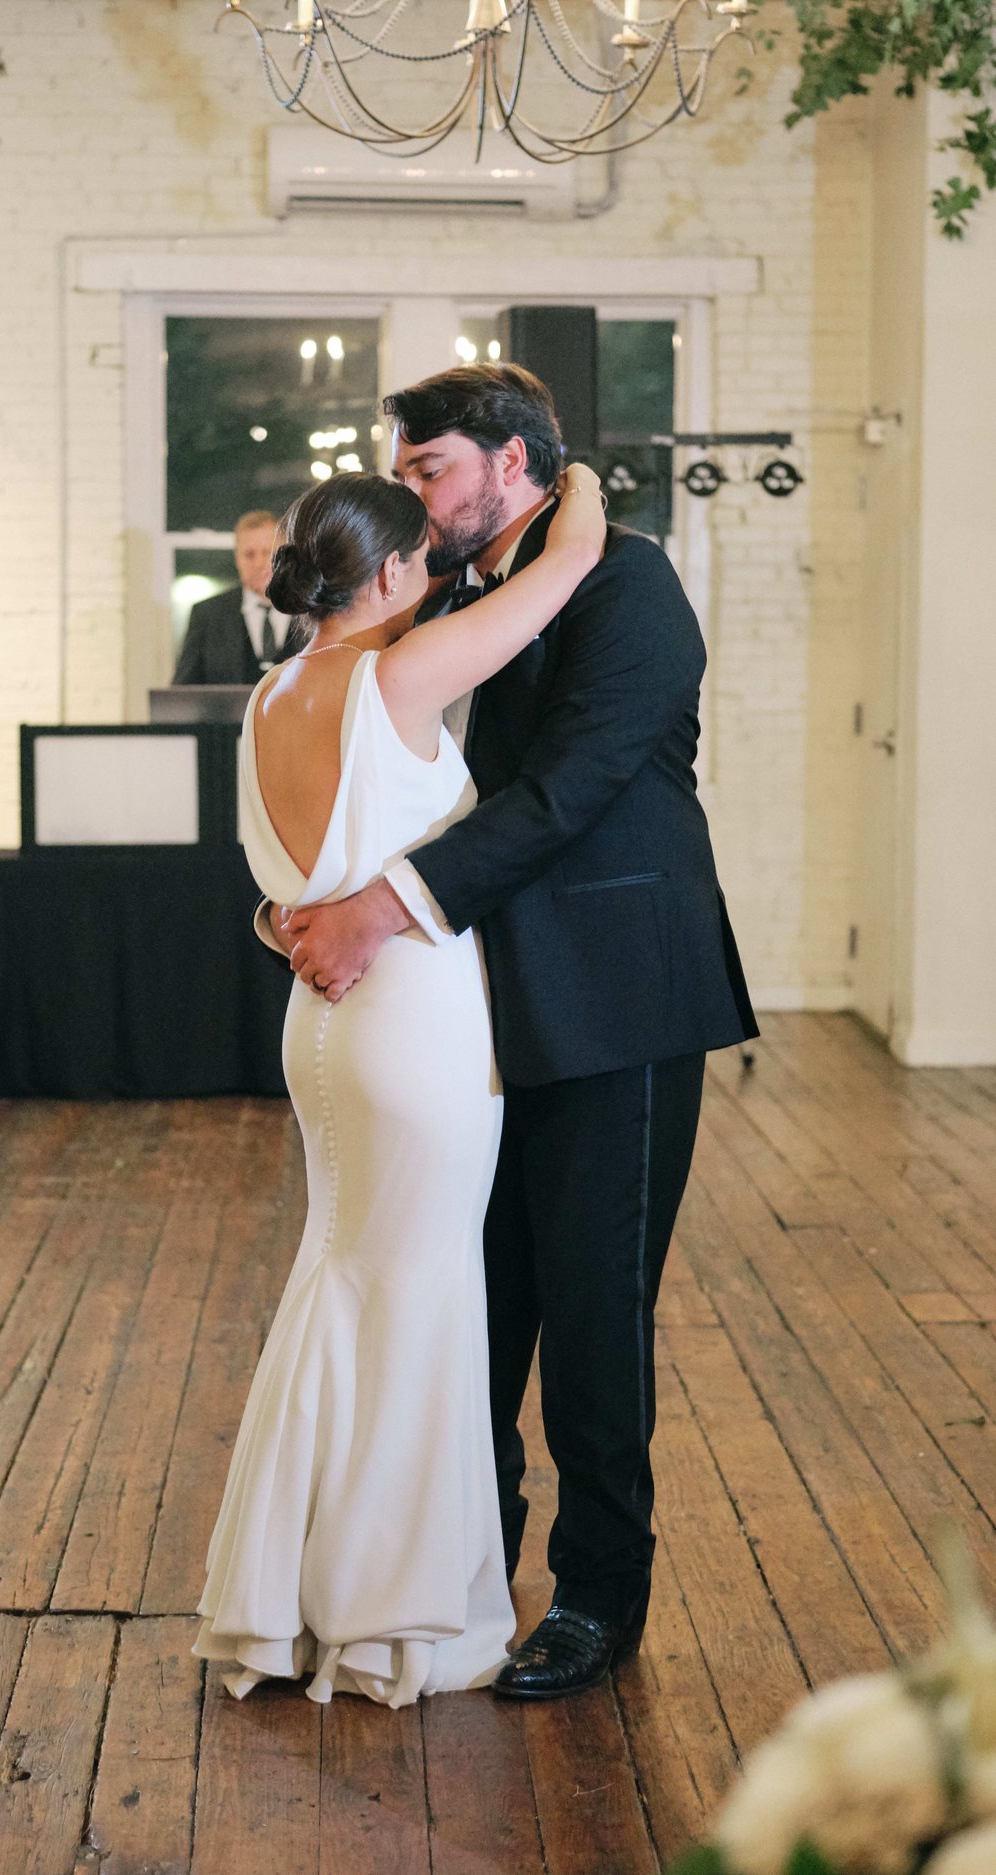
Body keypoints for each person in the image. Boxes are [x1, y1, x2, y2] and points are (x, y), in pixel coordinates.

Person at [282, 364, 758, 1701]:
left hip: (621, 993)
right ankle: (464, 1564)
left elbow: (571, 788)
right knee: (482, 1298)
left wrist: (385, 903)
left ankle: (600, 1594)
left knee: (599, 1313)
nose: (418, 498)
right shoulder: (461, 591)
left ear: (513, 459)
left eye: (431, 465)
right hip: (476, 1006)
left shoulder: (630, 584)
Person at [192, 463, 610, 1707]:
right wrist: (570, 469)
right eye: (423, 562)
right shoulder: (400, 673)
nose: (434, 583)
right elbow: (571, 562)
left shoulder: (269, 697)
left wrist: (292, 928)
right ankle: (400, 1620)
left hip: (317, 1023)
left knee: (339, 1279)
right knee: (424, 1297)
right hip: (415, 1021)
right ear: (384, 574)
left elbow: (277, 894)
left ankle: (293, 1601)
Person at [173, 509, 306, 684]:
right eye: (249, 554)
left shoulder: (309, 610)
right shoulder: (207, 615)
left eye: (267, 553)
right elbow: (183, 692)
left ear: (284, 556)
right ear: (237, 559)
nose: (258, 563)